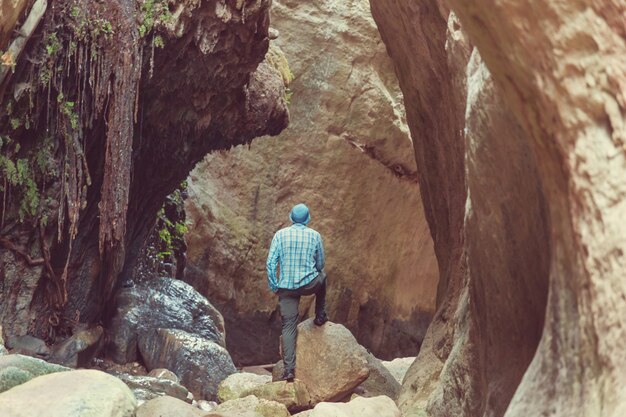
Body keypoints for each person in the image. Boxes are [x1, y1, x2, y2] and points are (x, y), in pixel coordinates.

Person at [266, 203, 328, 382]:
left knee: (288, 327)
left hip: (286, 288)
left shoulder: (280, 235)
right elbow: (320, 265)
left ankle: (289, 371)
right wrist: (311, 271)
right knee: (323, 276)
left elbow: (270, 263)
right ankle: (320, 315)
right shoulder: (315, 235)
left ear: (291, 218)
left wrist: (274, 285)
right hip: (309, 284)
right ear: (308, 219)